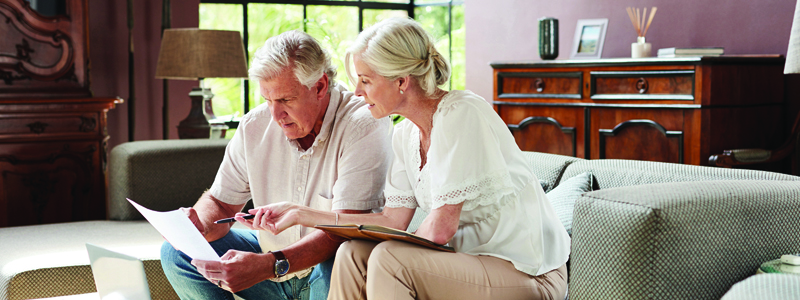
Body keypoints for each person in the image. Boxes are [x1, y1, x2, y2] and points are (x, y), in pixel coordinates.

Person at [241, 18, 571, 300]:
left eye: (366, 80)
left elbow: (440, 229)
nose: (357, 91)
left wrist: (392, 256)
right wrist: (302, 214)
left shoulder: (462, 113)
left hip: (527, 273)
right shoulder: (406, 135)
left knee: (389, 258)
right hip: (470, 264)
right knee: (353, 254)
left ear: (401, 82)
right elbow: (392, 221)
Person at [159, 30, 393, 300]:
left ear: (320, 86)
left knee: (345, 252)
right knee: (176, 252)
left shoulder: (363, 122)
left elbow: (343, 230)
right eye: (268, 100)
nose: (275, 115)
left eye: (285, 100)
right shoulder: (254, 125)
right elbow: (222, 203)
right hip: (271, 268)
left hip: (324, 272)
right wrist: (198, 226)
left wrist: (270, 264)